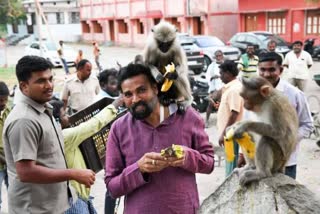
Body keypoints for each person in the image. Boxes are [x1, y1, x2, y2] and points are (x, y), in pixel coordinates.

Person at [105, 63, 214, 213]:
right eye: (128, 94)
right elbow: (112, 187)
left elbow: (209, 163)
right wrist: (139, 168)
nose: (135, 99)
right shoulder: (119, 128)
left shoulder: (188, 117)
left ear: (155, 89)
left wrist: (188, 157)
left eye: (141, 90)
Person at [2, 56, 96, 213]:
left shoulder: (44, 109)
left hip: (56, 205)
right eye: (41, 81)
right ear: (24, 86)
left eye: (50, 79)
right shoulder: (24, 120)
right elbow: (26, 172)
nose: (49, 85)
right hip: (36, 209)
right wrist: (73, 173)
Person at [49, 96, 123, 214]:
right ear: (56, 121)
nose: (67, 117)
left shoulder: (56, 137)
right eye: (64, 115)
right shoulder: (64, 137)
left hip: (77, 198)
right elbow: (93, 125)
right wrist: (116, 105)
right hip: (73, 200)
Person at [258, 52, 313, 179]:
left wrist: (288, 139)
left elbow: (307, 125)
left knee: (286, 198)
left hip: (285, 162)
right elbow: (247, 120)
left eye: (272, 70)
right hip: (258, 160)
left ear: (281, 70)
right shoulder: (253, 92)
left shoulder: (294, 94)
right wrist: (242, 154)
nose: (266, 74)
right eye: (262, 70)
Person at [217, 60, 244, 177]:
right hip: (231, 134)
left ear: (229, 73)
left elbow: (234, 113)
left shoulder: (234, 89)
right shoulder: (231, 88)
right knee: (231, 164)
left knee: (231, 168)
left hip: (232, 134)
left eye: (222, 73)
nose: (220, 76)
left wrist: (224, 134)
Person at [205, 50, 224, 127]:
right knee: (210, 104)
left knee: (222, 104)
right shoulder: (211, 66)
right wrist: (213, 77)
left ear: (222, 56)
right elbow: (207, 76)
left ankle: (221, 120)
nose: (218, 57)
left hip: (224, 87)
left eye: (220, 56)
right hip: (214, 87)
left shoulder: (225, 65)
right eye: (217, 56)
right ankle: (206, 120)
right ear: (215, 57)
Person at [0, 81, 9, 212]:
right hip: (4, 162)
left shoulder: (8, 111)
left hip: (10, 162)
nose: (3, 104)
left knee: (16, 195)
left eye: (6, 100)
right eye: (1, 100)